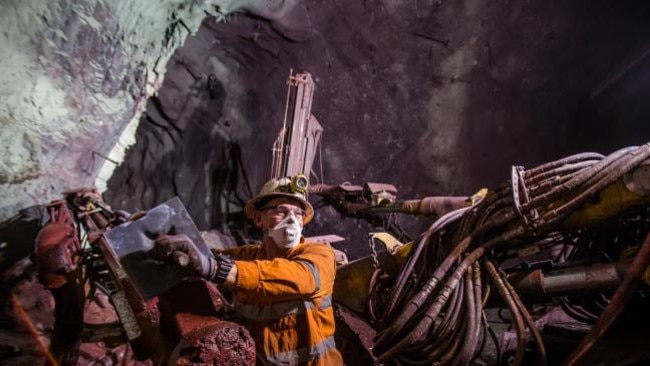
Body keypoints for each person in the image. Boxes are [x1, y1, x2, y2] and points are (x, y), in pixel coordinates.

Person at [153, 176, 343, 366]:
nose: (292, 220)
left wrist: (215, 268)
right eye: (281, 211)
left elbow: (297, 276)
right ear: (259, 218)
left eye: (298, 213)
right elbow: (204, 256)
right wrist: (148, 230)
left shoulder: (320, 254)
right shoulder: (248, 257)